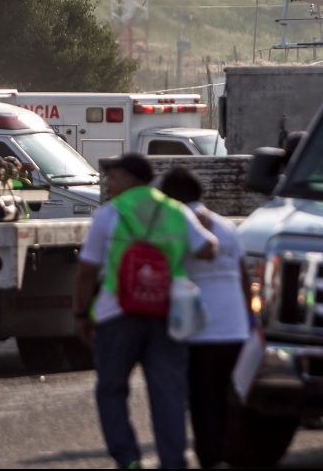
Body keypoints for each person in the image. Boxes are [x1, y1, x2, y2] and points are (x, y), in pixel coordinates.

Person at [74, 153, 217, 469]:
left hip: (116, 315)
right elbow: (208, 249)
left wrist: (81, 314)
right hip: (167, 314)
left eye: (113, 177)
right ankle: (172, 461)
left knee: (111, 389)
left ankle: (128, 459)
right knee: (168, 395)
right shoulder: (176, 211)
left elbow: (86, 271)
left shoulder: (108, 215)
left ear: (129, 178)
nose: (108, 184)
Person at [160, 166, 253, 469]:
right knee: (228, 397)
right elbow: (242, 276)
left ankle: (212, 458)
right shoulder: (227, 226)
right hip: (235, 327)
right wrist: (250, 321)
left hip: (201, 329)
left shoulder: (175, 222)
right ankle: (229, 454)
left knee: (202, 399)